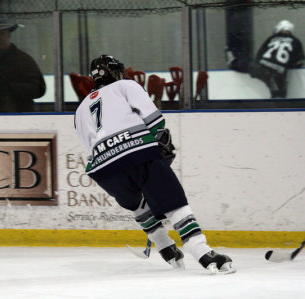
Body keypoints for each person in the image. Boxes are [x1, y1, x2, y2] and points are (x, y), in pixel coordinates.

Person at [74, 55, 236, 274]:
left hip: (103, 170)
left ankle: (166, 249)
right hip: (137, 153)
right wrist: (158, 142)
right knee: (173, 203)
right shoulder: (125, 85)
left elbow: (91, 146)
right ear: (113, 71)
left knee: (139, 206)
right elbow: (155, 121)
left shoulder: (80, 109)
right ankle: (203, 253)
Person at [0, 18, 46, 112]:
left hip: (20, 114)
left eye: (2, 33)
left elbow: (38, 89)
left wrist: (8, 88)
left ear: (9, 35)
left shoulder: (24, 60)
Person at [249, 20, 304, 98]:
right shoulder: (296, 41)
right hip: (278, 70)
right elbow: (299, 61)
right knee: (279, 95)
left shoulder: (272, 38)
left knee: (246, 67)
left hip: (262, 66)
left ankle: (234, 62)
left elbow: (260, 53)